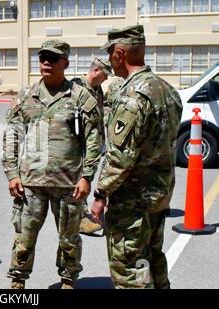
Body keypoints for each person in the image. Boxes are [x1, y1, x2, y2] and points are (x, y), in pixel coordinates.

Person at [3, 39, 102, 289]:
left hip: (69, 183)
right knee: (24, 238)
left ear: (65, 63)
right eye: (43, 57)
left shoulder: (80, 97)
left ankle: (68, 281)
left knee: (69, 239)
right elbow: (12, 135)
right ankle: (17, 282)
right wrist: (12, 174)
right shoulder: (26, 95)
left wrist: (87, 176)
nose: (46, 62)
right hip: (31, 183)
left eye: (53, 58)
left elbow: (94, 139)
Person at [91, 25, 183, 289]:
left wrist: (100, 195)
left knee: (130, 270)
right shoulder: (167, 91)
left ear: (120, 55)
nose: (109, 61)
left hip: (133, 202)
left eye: (110, 55)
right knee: (152, 260)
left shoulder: (132, 97)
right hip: (158, 196)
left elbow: (120, 159)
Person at [72, 58, 113, 235]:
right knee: (80, 178)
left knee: (87, 176)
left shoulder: (97, 89)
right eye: (104, 76)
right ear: (96, 71)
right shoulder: (76, 86)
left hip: (93, 142)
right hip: (79, 143)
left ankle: (82, 215)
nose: (105, 80)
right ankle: (78, 219)